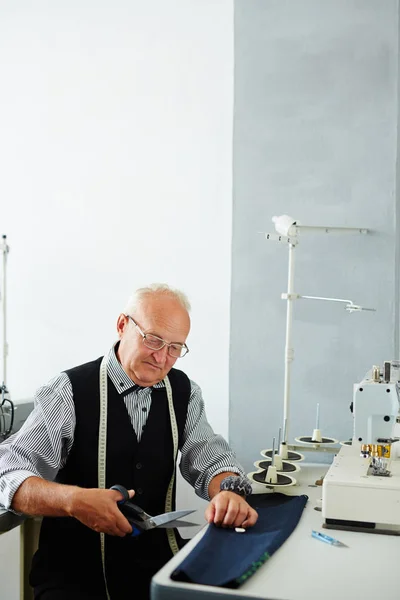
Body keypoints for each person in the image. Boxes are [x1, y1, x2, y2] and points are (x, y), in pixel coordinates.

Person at [0, 283, 257, 600]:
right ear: (123, 325)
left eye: (175, 348)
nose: (162, 357)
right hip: (74, 577)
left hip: (157, 567)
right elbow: (8, 474)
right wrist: (73, 501)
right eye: (154, 340)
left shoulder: (184, 392)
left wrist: (229, 492)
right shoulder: (67, 391)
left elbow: (208, 458)